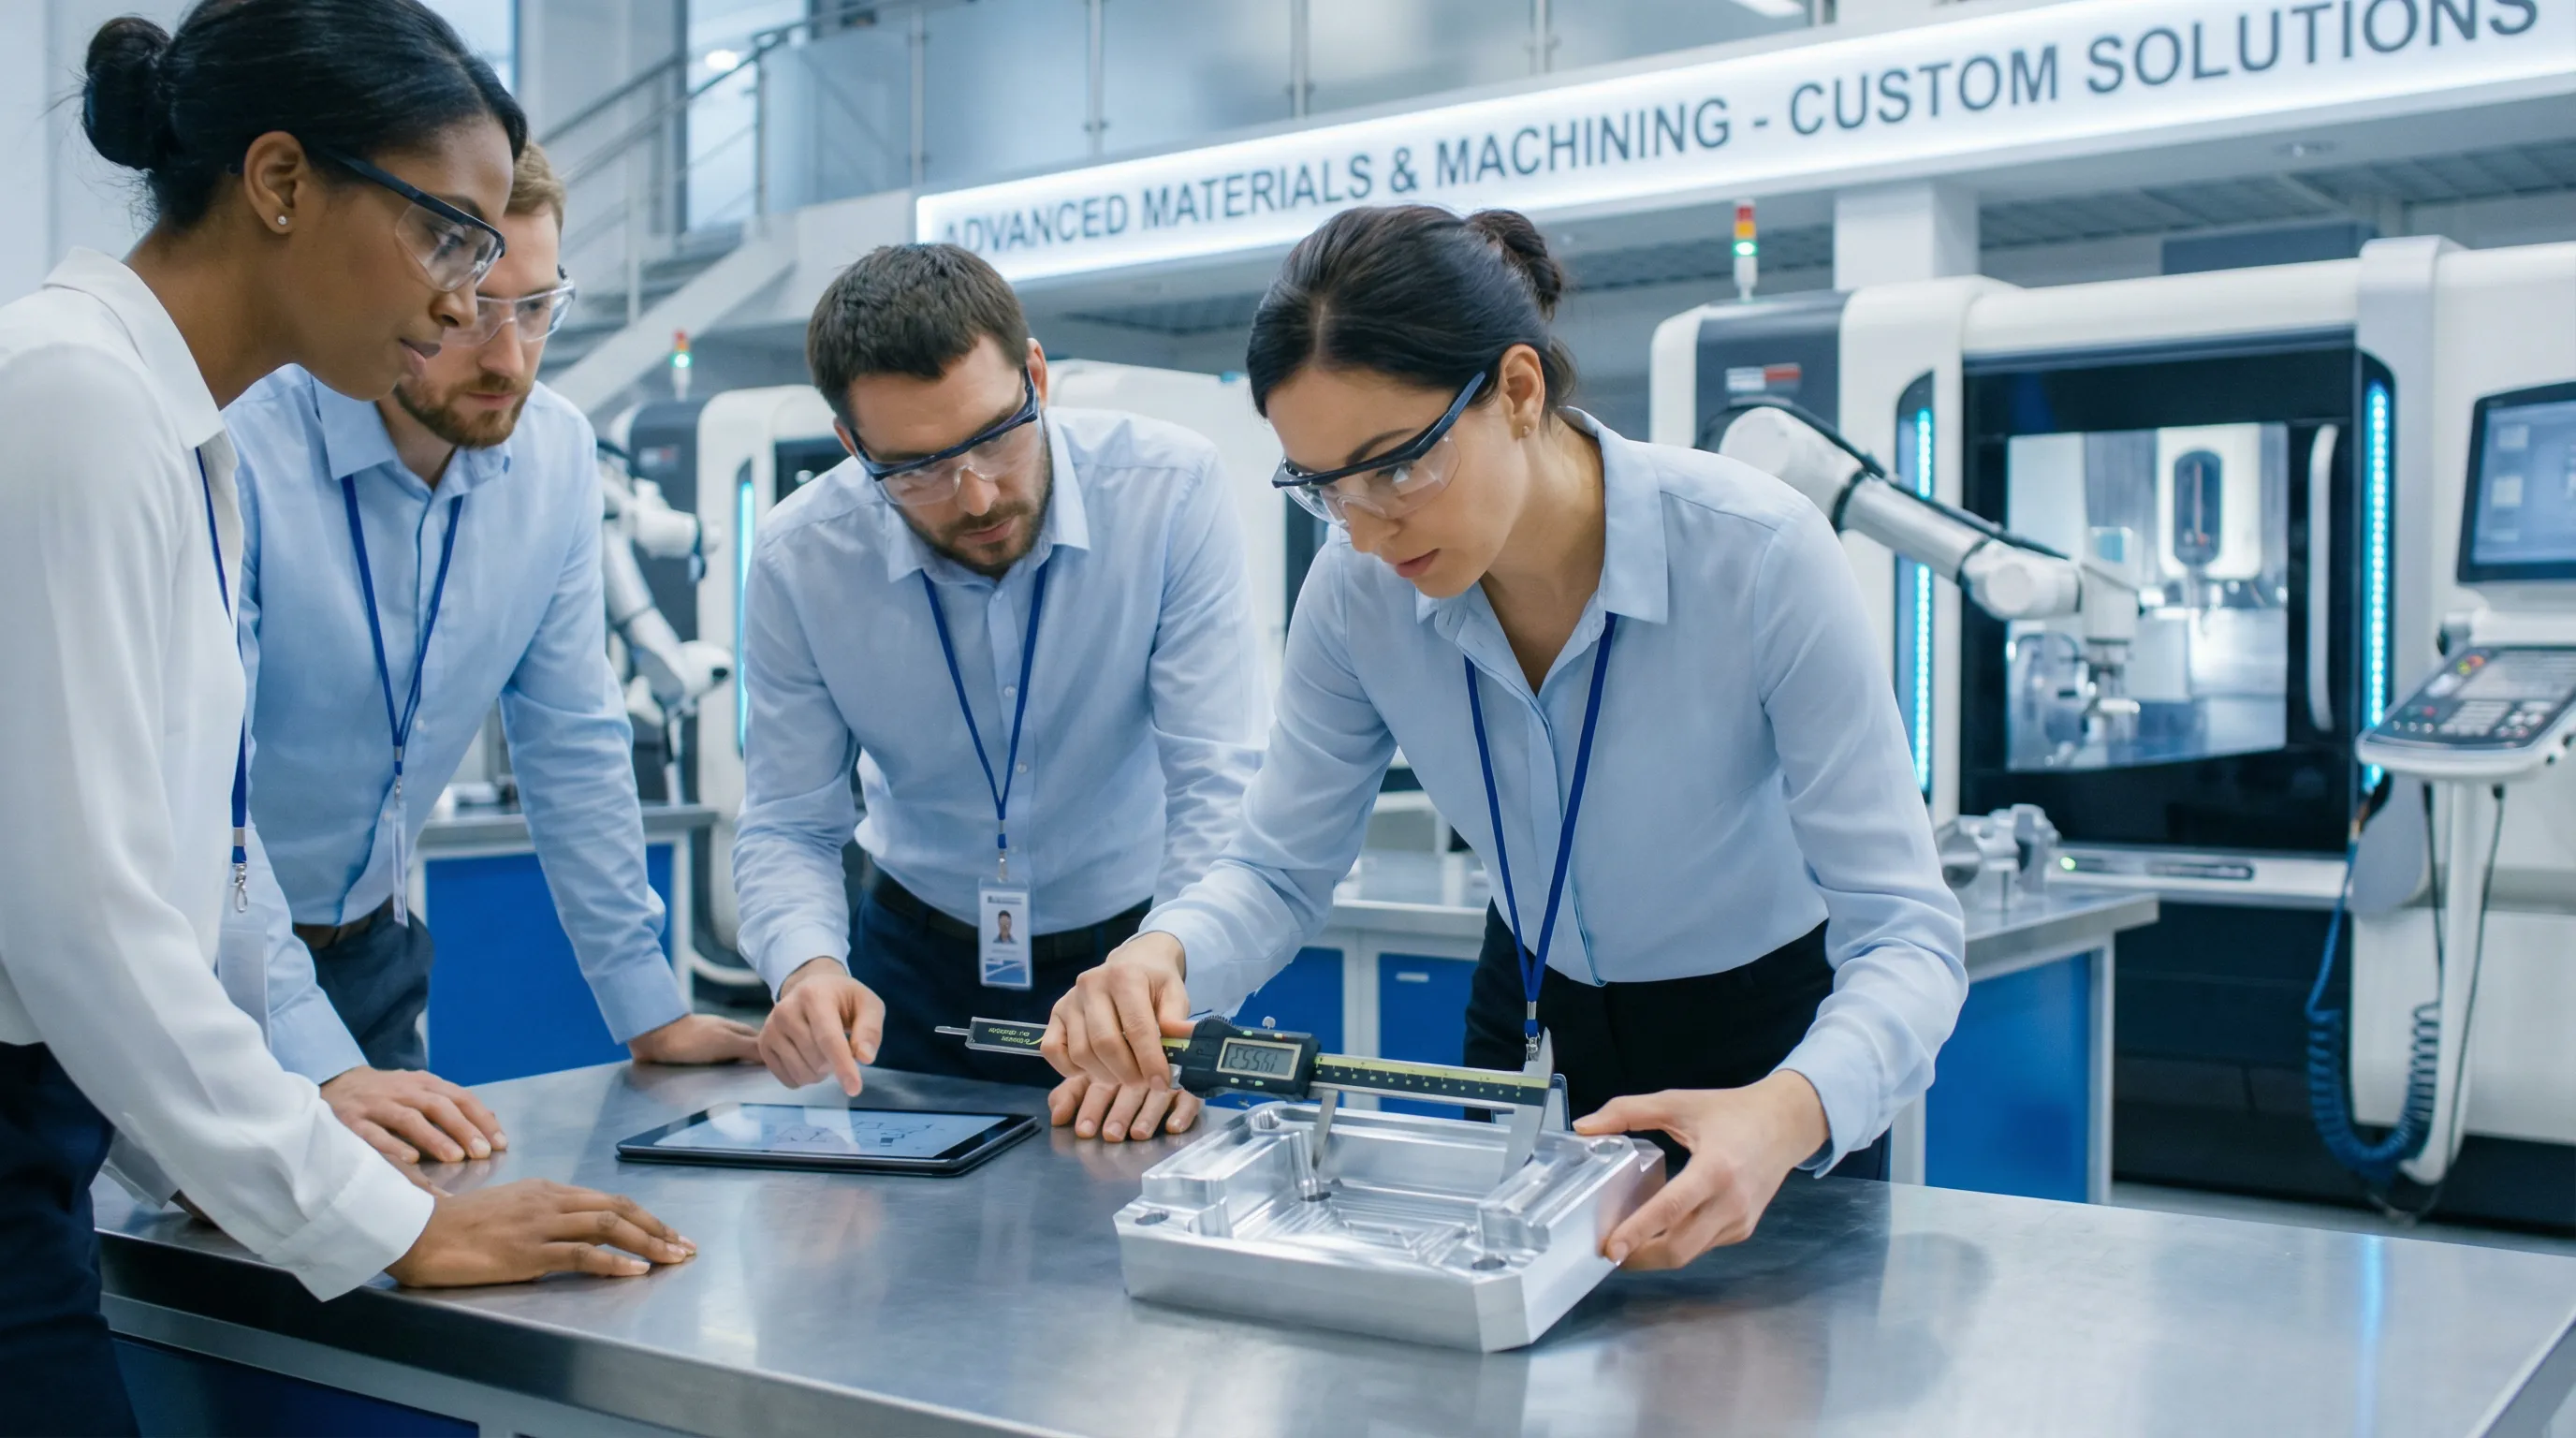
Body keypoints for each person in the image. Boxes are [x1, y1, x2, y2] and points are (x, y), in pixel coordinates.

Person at [0, 7, 692, 1431]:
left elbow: (186, 862)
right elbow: (85, 921)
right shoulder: (71, 398)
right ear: (279, 182)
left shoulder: (174, 431)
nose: (465, 304)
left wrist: (240, 1141)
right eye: (446, 237)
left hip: (60, 1115)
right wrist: (392, 1224)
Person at [1044, 206, 1968, 1269]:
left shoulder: (1756, 556)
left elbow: (1907, 934)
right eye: (1324, 488)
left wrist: (1792, 1110)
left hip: (1766, 1050)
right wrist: (1162, 955)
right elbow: (1278, 869)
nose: (1365, 529)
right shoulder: (1356, 595)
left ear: (1518, 390)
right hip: (1528, 1015)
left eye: (1396, 466)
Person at [223, 139, 756, 1168]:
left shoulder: (553, 455)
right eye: (470, 310)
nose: (509, 357)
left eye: (537, 308)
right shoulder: (244, 447)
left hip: (373, 955)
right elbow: (206, 802)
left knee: (402, 1248)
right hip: (207, 959)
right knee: (178, 1254)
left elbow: (573, 742)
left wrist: (648, 1005)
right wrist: (315, 1065)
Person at [733, 243, 1267, 1142]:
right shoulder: (802, 557)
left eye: (995, 437)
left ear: (1037, 377)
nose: (975, 496)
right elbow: (788, 818)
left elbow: (1219, 782)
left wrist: (1176, 985)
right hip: (911, 962)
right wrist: (807, 967)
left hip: (1134, 955)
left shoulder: (1166, 492)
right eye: (916, 469)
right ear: (853, 447)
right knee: (899, 1221)